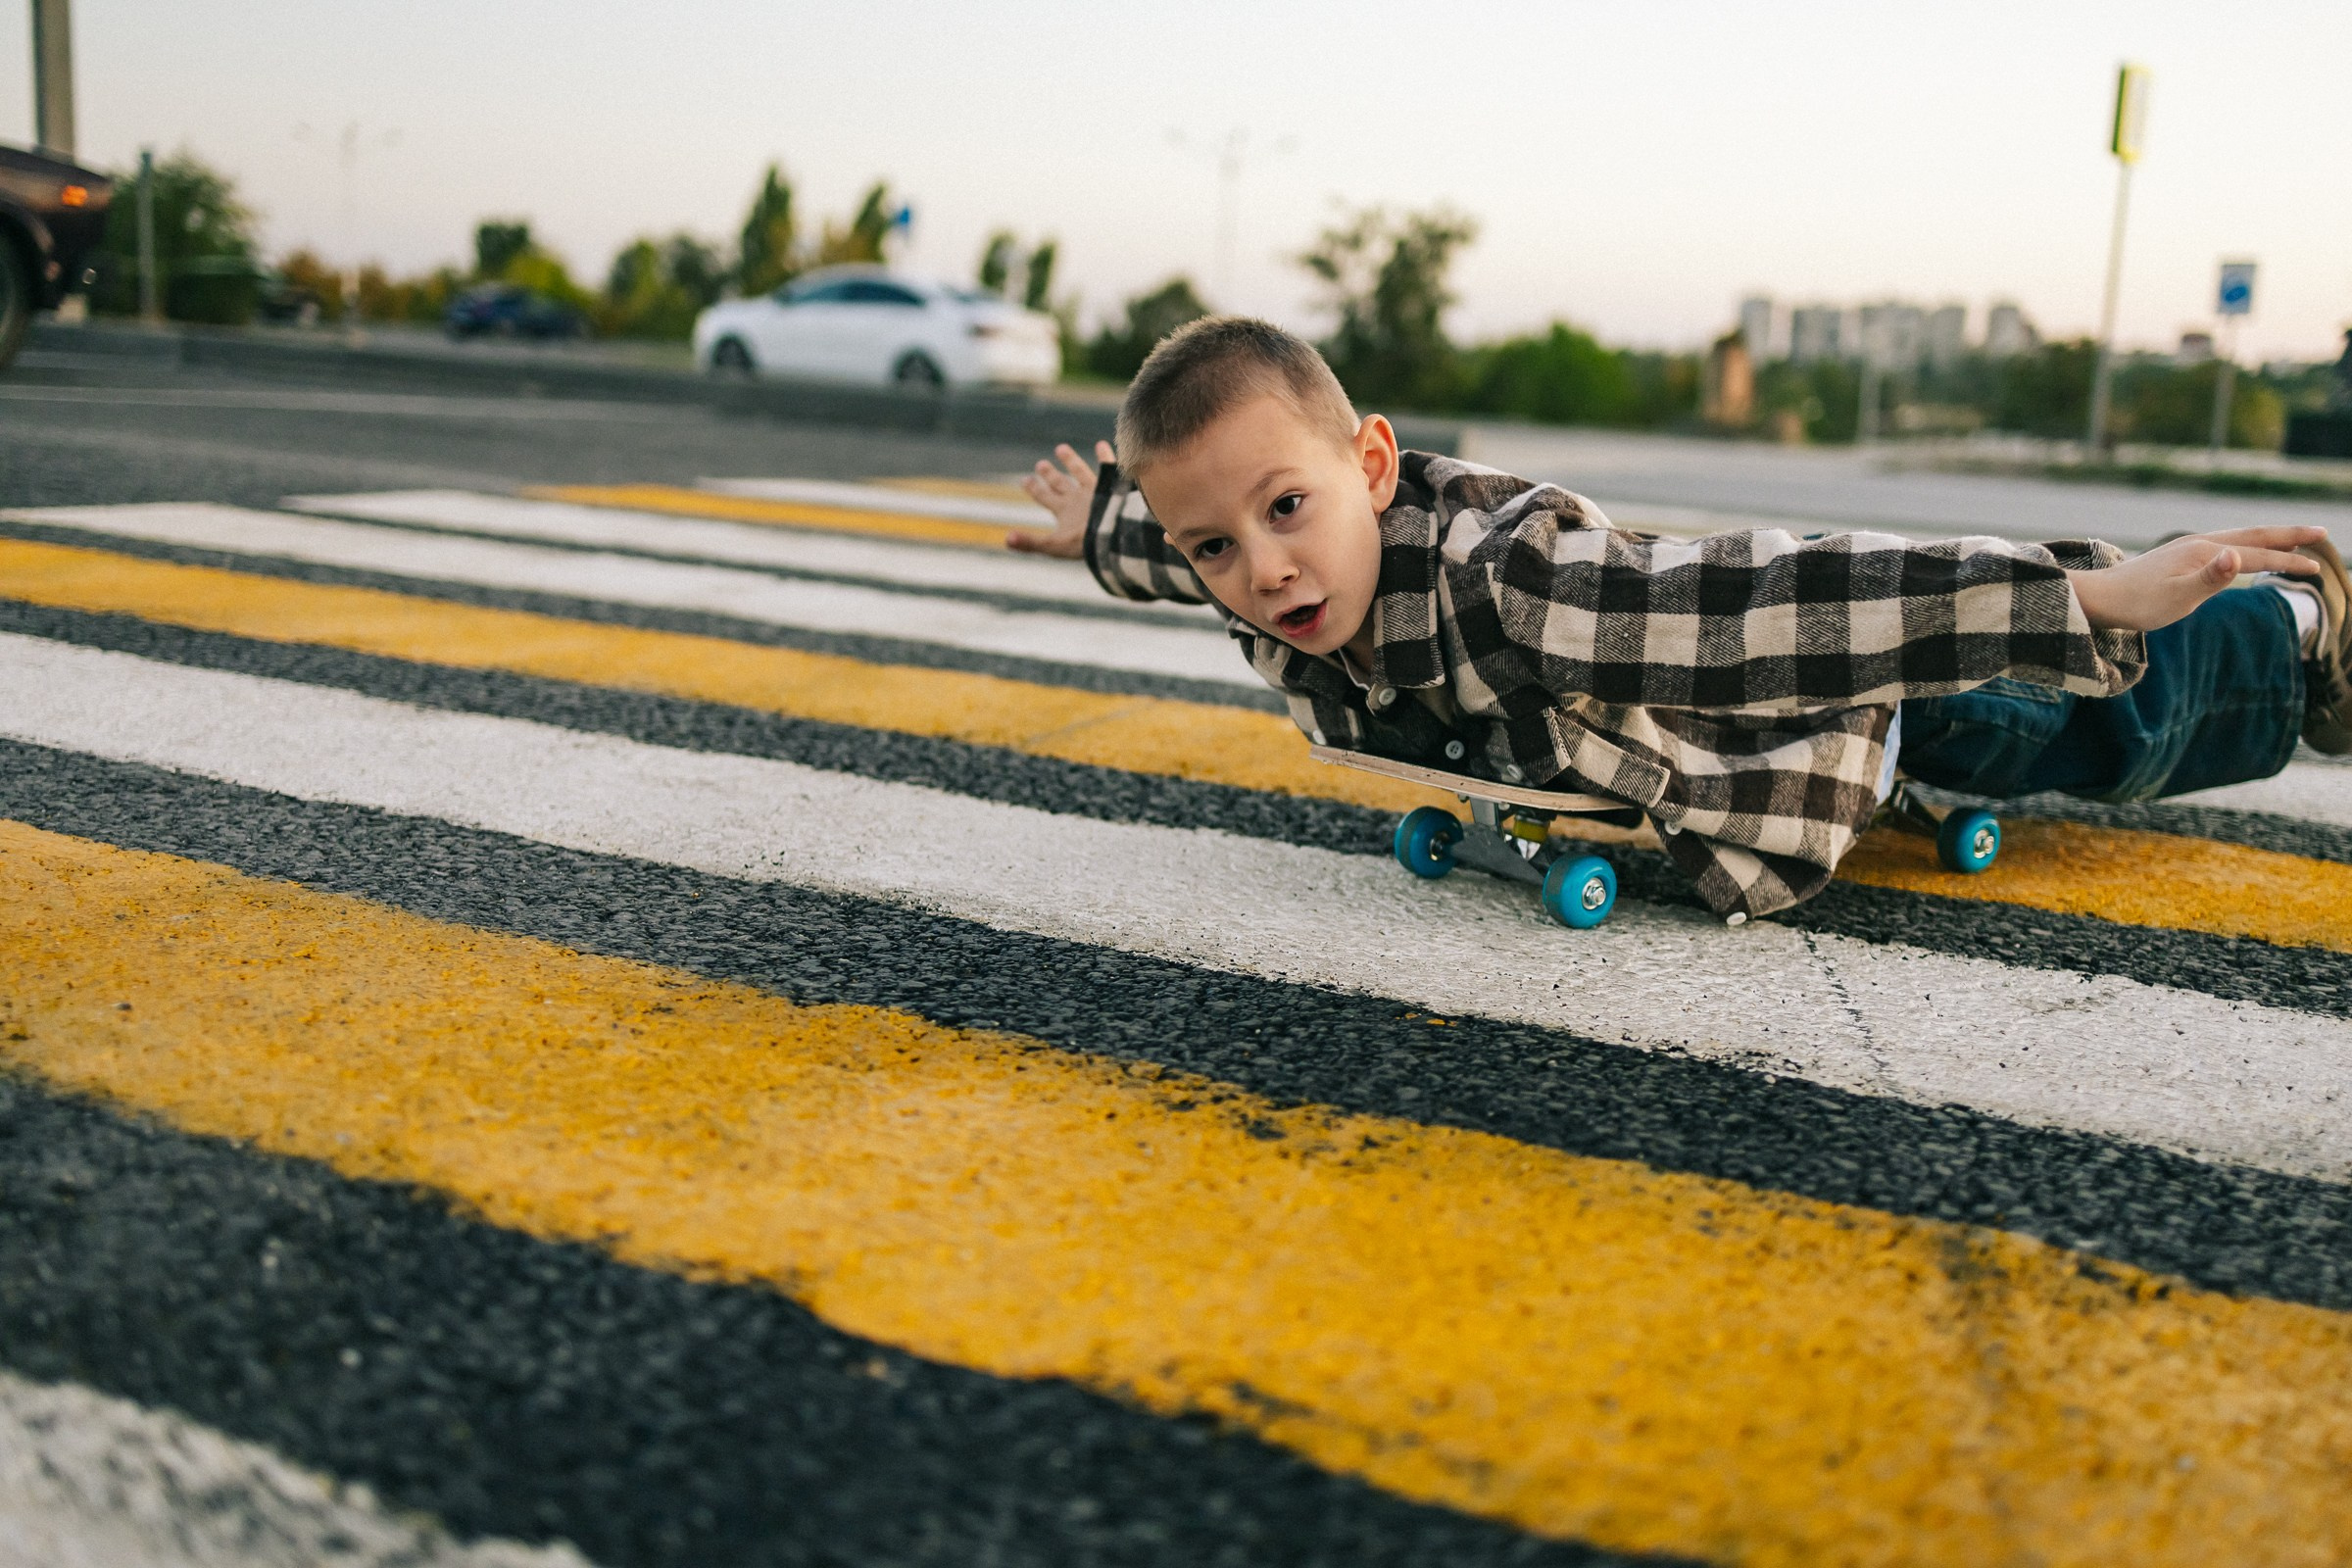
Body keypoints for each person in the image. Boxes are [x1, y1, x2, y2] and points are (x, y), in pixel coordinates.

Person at [1011, 317, 2352, 923]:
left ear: (1371, 465)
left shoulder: (1521, 585)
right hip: (1727, 730)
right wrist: (1098, 532)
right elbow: (1179, 542)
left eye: (1286, 510)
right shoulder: (1259, 566)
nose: (1261, 572)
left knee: (2124, 736)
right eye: (1216, 547)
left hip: (1858, 701)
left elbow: (1784, 600)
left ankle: (2297, 632)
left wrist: (2085, 594)